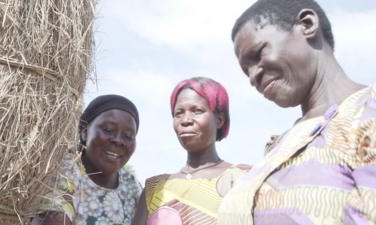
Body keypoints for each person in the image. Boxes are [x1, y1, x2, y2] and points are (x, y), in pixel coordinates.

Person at [217, 0, 376, 224]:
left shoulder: (366, 114)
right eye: (246, 71)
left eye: (258, 54)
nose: (253, 77)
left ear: (307, 24)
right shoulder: (281, 147)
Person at [132, 77, 250, 225]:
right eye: (178, 113)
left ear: (219, 120)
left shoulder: (241, 178)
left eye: (197, 111)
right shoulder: (155, 188)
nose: (185, 120)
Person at [34, 95, 142, 225]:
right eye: (108, 129)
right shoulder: (65, 172)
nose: (118, 140)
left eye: (128, 136)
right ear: (85, 132)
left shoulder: (131, 186)